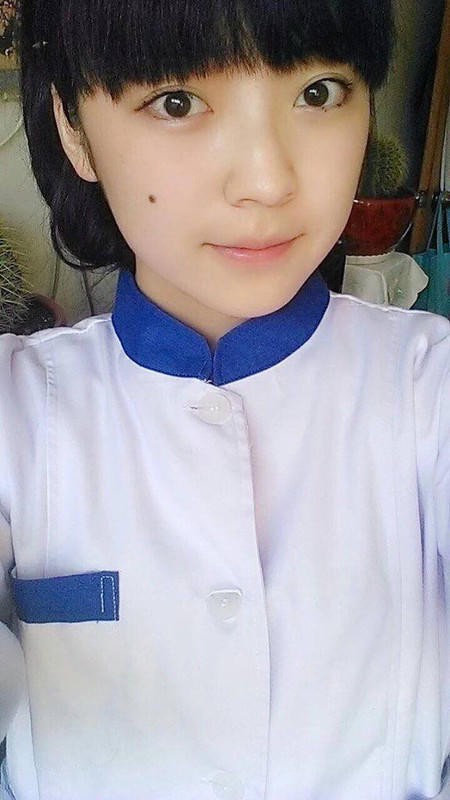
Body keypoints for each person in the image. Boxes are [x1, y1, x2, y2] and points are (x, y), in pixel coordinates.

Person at [0, 0, 449, 797]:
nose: (268, 180)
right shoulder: (19, 410)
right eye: (177, 102)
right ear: (74, 127)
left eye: (318, 92)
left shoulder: (426, 388)